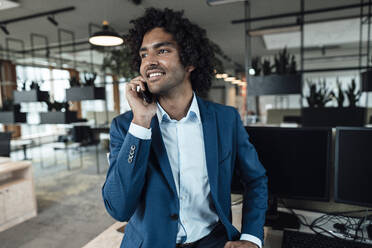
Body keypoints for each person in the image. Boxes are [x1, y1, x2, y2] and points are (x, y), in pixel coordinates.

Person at [102, 8, 268, 248]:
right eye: (144, 54)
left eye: (162, 50)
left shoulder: (226, 120)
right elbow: (118, 207)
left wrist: (251, 237)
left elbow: (256, 180)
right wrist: (141, 123)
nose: (149, 62)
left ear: (190, 61)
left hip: (213, 242)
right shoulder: (126, 127)